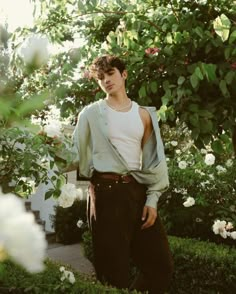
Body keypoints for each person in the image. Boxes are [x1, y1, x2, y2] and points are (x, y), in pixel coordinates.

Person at [71, 55, 173, 293]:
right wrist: (49, 145)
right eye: (101, 77)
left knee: (161, 266)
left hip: (136, 191)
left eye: (111, 74)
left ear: (124, 74)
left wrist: (152, 200)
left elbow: (153, 164)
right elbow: (74, 153)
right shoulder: (90, 114)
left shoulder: (144, 115)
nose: (106, 80)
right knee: (112, 272)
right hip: (106, 194)